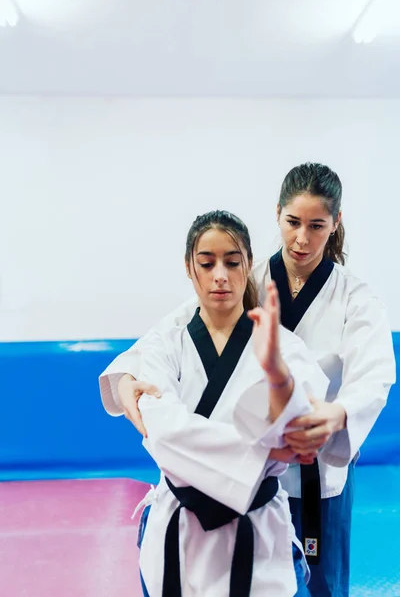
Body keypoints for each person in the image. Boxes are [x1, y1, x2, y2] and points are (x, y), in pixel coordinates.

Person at [100, 163, 396, 597]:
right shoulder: (243, 275)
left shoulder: (356, 297)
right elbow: (172, 331)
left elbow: (375, 375)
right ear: (277, 214)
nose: (302, 238)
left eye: (317, 226)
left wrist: (340, 412)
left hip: (311, 461)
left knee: (320, 586)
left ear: (336, 224)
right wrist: (127, 377)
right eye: (293, 222)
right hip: (240, 473)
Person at [101, 210, 330, 597]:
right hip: (179, 540)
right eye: (207, 263)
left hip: (258, 541)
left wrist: (278, 388)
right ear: (190, 269)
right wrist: (263, 451)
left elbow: (298, 422)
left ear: (249, 264)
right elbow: (162, 430)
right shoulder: (164, 344)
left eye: (232, 262)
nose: (220, 275)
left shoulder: (286, 348)